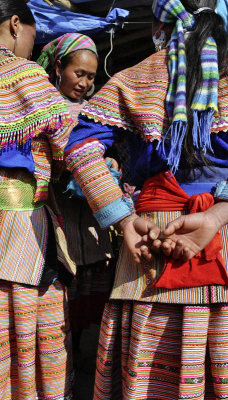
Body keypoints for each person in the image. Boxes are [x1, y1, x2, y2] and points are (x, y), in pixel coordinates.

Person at [64, 0, 228, 398]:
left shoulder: (134, 77)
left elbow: (80, 148)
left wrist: (123, 219)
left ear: (162, 26)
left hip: (150, 237)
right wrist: (218, 215)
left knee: (148, 366)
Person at [0, 1, 76, 399]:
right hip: (20, 224)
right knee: (31, 326)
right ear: (15, 24)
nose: (32, 45)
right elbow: (67, 143)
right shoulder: (24, 74)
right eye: (32, 34)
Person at [37, 34, 117, 350]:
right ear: (59, 67)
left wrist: (109, 162)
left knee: (89, 317)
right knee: (58, 315)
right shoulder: (43, 110)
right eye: (78, 73)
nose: (84, 83)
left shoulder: (96, 115)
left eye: (91, 77)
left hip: (94, 234)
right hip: (61, 228)